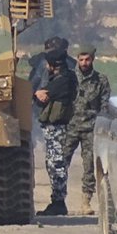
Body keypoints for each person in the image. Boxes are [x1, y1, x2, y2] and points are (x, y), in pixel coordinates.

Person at [61, 44, 110, 215]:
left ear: (92, 59)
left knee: (89, 166)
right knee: (61, 163)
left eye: (87, 59)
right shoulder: (69, 78)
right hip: (71, 127)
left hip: (91, 128)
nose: (84, 62)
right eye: (81, 59)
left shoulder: (100, 80)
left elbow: (105, 106)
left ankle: (86, 201)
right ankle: (58, 200)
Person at [35, 46, 78, 216]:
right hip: (53, 129)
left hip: (59, 129)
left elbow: (44, 96)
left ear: (54, 64)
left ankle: (59, 202)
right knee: (52, 163)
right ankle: (57, 200)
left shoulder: (65, 79)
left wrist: (39, 93)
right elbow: (40, 98)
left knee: (57, 164)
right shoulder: (59, 78)